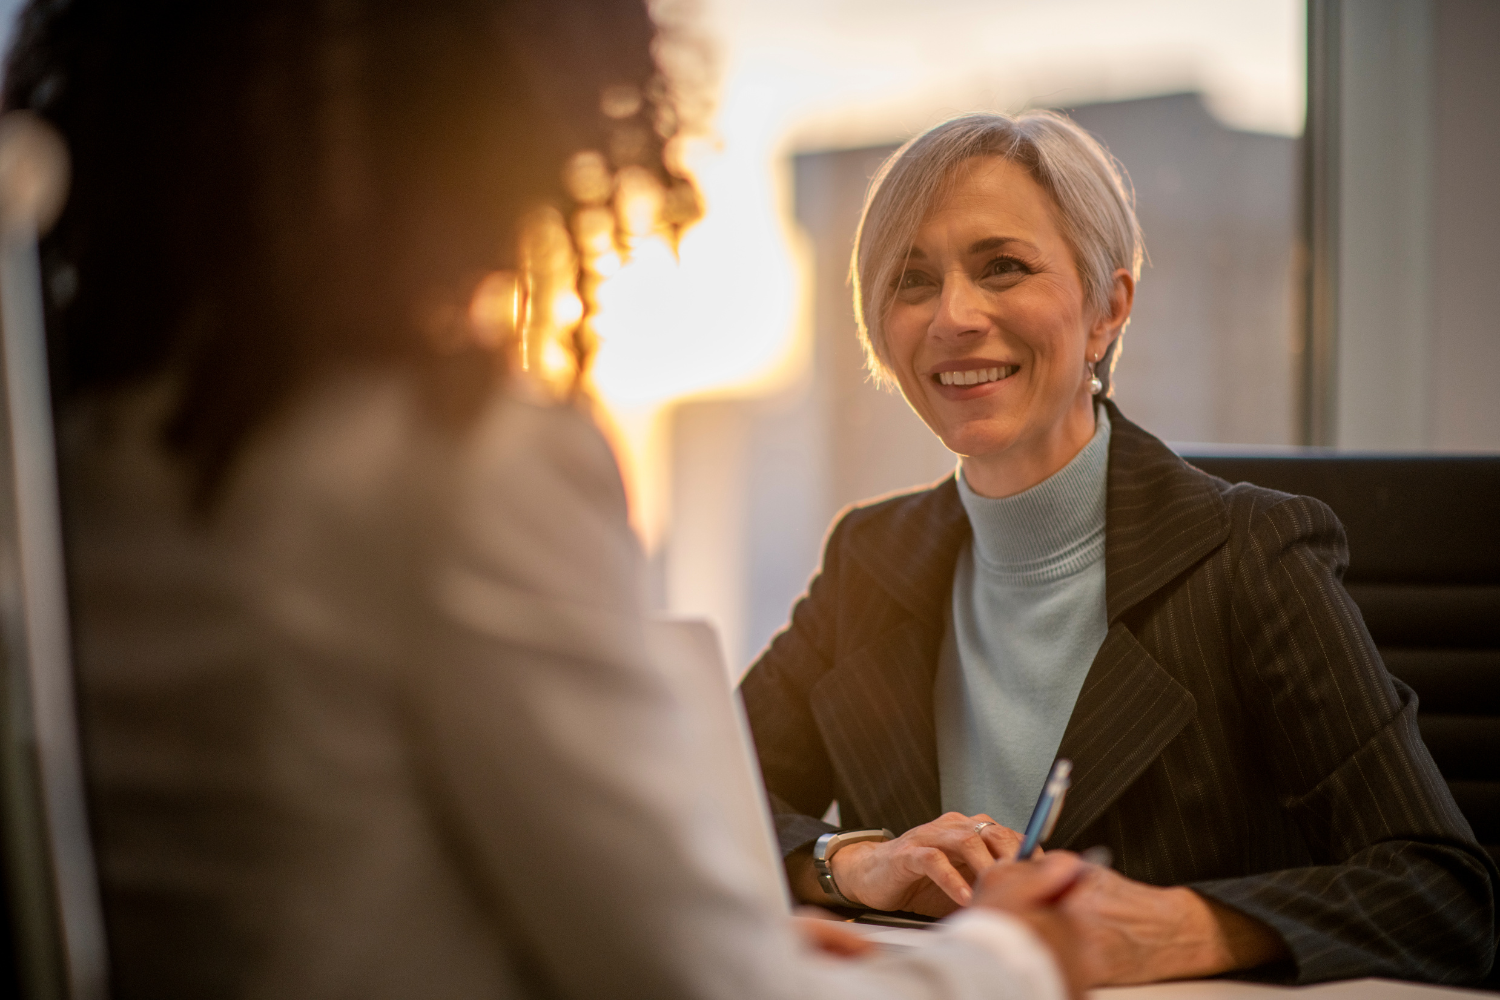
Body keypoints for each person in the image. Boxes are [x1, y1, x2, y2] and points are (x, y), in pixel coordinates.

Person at [7, 2, 1094, 997]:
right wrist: (1012, 956)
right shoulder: (456, 465)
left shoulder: (76, 451)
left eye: (1003, 269)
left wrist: (695, 927)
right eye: (913, 279)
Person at [739, 110, 1498, 987]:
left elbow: (1448, 892)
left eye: (1004, 267)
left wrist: (1180, 925)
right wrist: (853, 861)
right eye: (912, 280)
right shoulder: (869, 559)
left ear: (1109, 308)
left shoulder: (1250, 553)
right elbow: (701, 805)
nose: (953, 315)